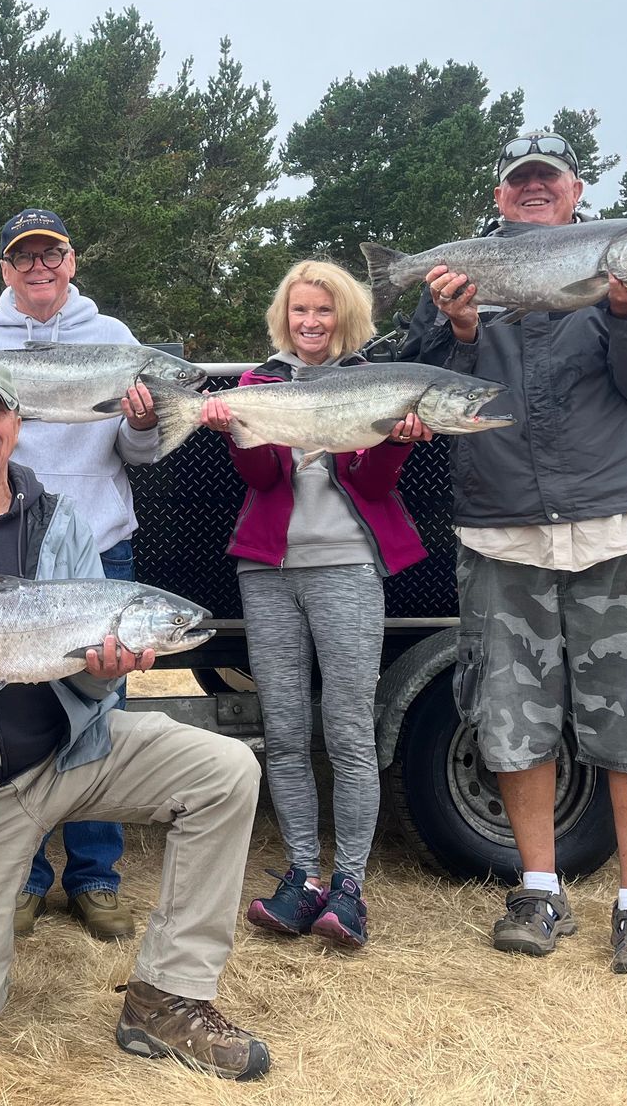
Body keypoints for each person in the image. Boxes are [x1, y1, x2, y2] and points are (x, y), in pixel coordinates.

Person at [0, 357, 270, 1079]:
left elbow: (85, 678)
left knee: (225, 771)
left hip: (70, 757)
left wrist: (102, 680)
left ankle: (167, 997)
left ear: (17, 425)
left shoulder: (60, 518)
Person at [401, 130, 627, 982]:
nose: (533, 190)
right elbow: (417, 392)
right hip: (502, 529)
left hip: (618, 524)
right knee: (510, 716)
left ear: (574, 194)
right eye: (519, 181)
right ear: (501, 198)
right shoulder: (459, 272)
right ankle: (538, 889)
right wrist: (457, 330)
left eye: (549, 179)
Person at [201, 260, 430, 949]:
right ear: (284, 317)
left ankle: (349, 886)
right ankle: (302, 874)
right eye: (299, 311)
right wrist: (237, 428)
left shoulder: (375, 381)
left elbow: (375, 482)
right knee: (287, 727)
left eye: (323, 312)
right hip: (268, 570)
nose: (309, 322)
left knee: (350, 729)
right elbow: (263, 478)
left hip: (349, 568)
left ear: (346, 318)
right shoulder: (257, 384)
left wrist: (393, 440)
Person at [0, 207, 159, 942]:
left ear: (72, 261)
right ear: (6, 271)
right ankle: (25, 876)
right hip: (18, 549)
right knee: (19, 715)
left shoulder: (117, 343)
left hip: (102, 549)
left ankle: (96, 876)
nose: (38, 267)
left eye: (51, 254)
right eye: (23, 257)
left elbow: (141, 456)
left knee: (101, 712)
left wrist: (139, 423)